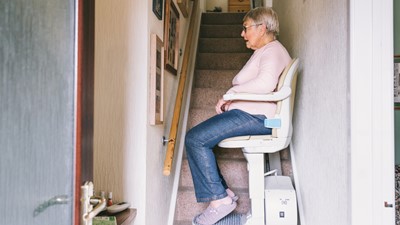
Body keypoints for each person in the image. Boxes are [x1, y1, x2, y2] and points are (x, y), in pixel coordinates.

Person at [185, 7, 291, 225]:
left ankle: (220, 200)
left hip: (257, 116)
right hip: (252, 114)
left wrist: (231, 94)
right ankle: (223, 194)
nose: (242, 34)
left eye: (246, 28)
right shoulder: (266, 51)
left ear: (261, 28)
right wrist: (233, 99)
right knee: (197, 138)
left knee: (195, 139)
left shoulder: (272, 50)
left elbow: (265, 83)